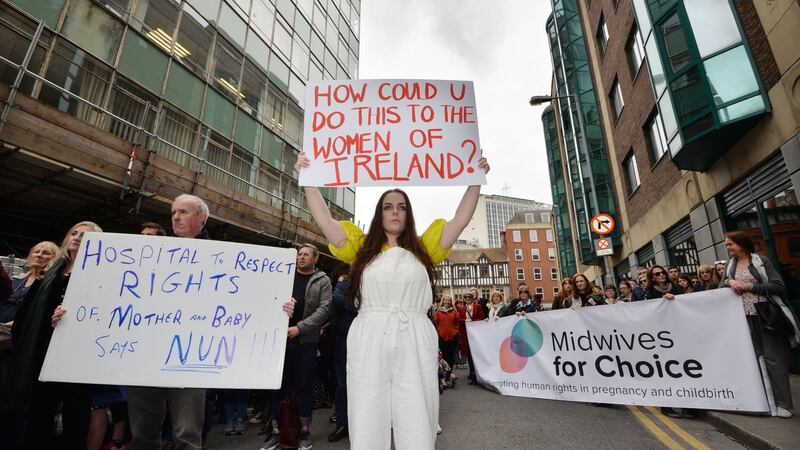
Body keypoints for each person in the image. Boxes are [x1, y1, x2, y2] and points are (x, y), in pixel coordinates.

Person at [294, 151, 489, 449]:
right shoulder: (360, 248)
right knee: (368, 410)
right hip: (370, 334)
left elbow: (460, 220)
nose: (395, 212)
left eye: (401, 207)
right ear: (379, 213)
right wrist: (308, 181)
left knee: (416, 409)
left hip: (414, 335)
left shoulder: (426, 248)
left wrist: (475, 180)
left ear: (408, 214)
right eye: (388, 207)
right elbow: (325, 220)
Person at [9, 221, 102, 449]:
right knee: (40, 409)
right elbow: (30, 309)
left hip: (77, 356)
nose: (77, 238)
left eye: (84, 236)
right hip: (43, 350)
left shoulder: (100, 273)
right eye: (74, 233)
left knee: (75, 412)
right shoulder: (54, 270)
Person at [720, 231, 799, 418]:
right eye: (726, 245)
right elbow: (722, 287)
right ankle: (762, 400)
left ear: (741, 243)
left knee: (773, 359)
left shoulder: (761, 261)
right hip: (742, 318)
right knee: (753, 360)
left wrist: (749, 287)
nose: (727, 248)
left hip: (765, 316)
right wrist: (729, 281)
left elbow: (778, 286)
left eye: (730, 244)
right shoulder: (730, 266)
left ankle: (783, 404)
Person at [263, 244, 332, 450]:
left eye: (305, 255)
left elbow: (325, 309)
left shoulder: (323, 280)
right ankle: (276, 430)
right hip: (280, 339)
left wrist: (300, 328)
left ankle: (304, 431)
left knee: (303, 385)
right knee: (278, 384)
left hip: (306, 341)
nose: (301, 258)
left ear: (315, 259)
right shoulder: (284, 275)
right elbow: (269, 299)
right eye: (299, 254)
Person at [0, 241, 58, 410]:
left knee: (10, 392)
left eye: (46, 253)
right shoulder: (15, 281)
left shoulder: (47, 284)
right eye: (36, 251)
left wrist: (12, 334)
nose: (39, 255)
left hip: (20, 344)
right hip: (3, 340)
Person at [328, 269, 356, 443]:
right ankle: (343, 423)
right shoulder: (345, 281)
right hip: (343, 339)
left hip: (368, 338)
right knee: (342, 383)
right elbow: (338, 301)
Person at [458, 291, 485, 384]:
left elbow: (482, 317)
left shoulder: (477, 307)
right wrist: (465, 320)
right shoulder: (461, 309)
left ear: (472, 298)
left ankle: (477, 373)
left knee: (476, 354)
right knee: (469, 355)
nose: (467, 299)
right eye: (465, 297)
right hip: (466, 334)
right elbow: (458, 320)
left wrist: (472, 321)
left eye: (469, 297)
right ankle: (472, 373)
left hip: (476, 334)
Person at [433, 296, 460, 372]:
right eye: (446, 300)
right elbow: (436, 323)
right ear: (443, 301)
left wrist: (456, 332)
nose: (447, 302)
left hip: (453, 338)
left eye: (449, 300)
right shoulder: (438, 312)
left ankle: (450, 373)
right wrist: (439, 332)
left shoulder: (455, 312)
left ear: (451, 302)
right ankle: (446, 374)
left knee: (451, 358)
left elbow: (457, 323)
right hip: (442, 338)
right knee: (444, 357)